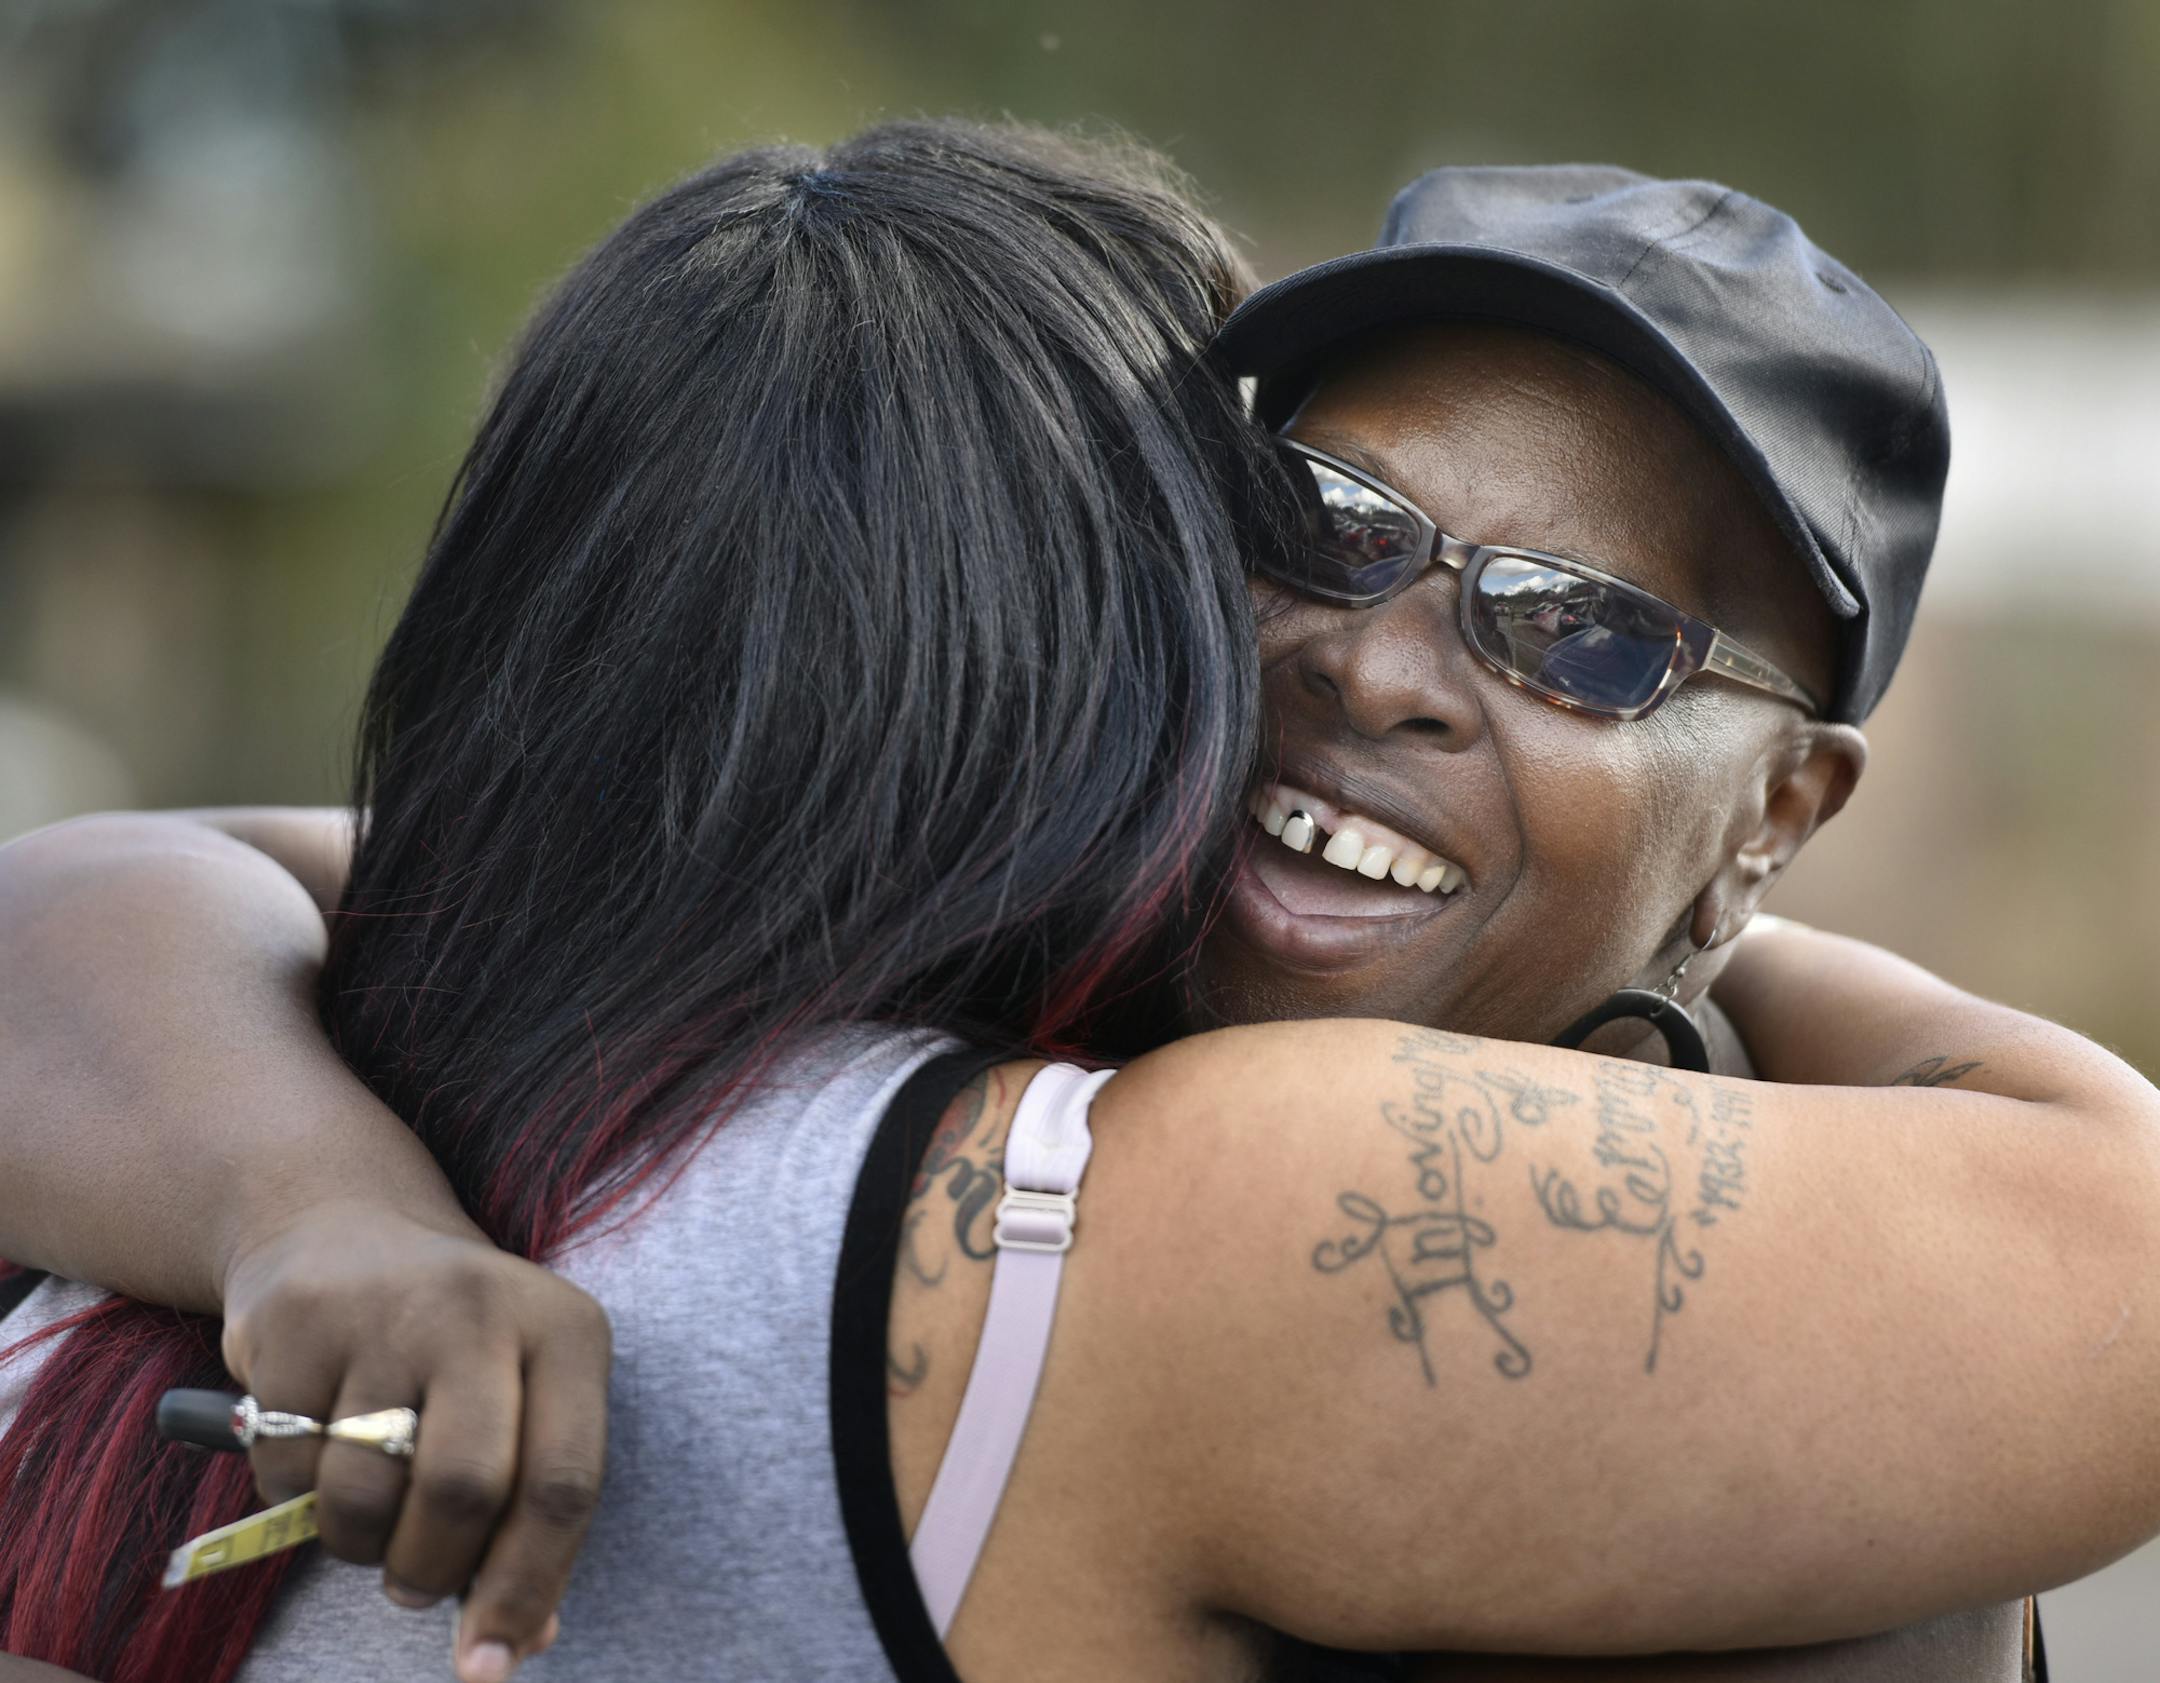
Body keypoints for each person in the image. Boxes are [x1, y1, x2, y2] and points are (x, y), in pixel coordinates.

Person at [3, 134, 2157, 1683]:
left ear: (1788, 803)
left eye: (1581, 635)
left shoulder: (539, 1026)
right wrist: (1641, 930)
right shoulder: (1156, 1203)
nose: (1383, 660)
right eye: (1321, 521)